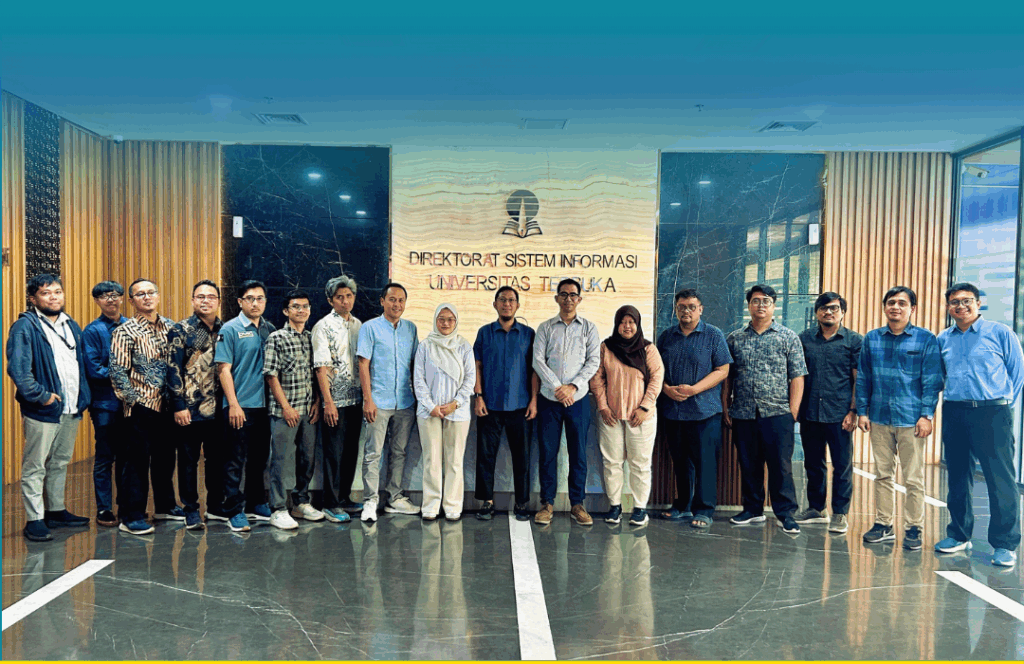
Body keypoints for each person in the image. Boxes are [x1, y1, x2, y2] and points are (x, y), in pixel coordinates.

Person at [935, 282, 1022, 567]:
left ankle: (1005, 544)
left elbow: (1017, 372)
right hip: (955, 412)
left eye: (966, 300)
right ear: (948, 307)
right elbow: (940, 375)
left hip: (992, 413)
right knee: (958, 477)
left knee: (1000, 480)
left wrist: (1004, 407)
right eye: (955, 302)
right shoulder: (943, 339)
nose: (961, 306)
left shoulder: (1000, 333)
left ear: (978, 303)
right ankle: (959, 535)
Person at [856, 285, 942, 551]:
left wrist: (926, 415)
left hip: (911, 419)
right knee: (882, 475)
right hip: (879, 417)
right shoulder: (872, 339)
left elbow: (932, 381)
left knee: (913, 478)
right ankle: (884, 524)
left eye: (902, 303)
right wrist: (862, 411)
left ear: (912, 309)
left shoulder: (925, 339)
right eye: (891, 302)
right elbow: (863, 378)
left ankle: (914, 527)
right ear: (884, 307)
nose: (895, 307)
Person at [7, 274, 91, 542]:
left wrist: (83, 396)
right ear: (33, 299)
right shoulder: (25, 326)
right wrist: (41, 396)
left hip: (71, 406)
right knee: (35, 466)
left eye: (57, 291)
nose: (54, 297)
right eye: (46, 293)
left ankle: (55, 511)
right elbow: (18, 370)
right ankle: (35, 519)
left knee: (59, 462)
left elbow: (78, 364)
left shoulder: (71, 324)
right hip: (44, 409)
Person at [723, 284, 807, 535]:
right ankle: (752, 509)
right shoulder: (735, 338)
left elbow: (797, 376)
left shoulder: (788, 337)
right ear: (749, 305)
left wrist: (792, 412)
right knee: (749, 464)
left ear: (774, 306)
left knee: (781, 466)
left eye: (766, 301)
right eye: (756, 301)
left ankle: (785, 514)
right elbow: (727, 376)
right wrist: (726, 405)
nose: (761, 305)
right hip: (744, 412)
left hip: (778, 413)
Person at [110, 278, 181, 535]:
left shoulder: (172, 327)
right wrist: (134, 402)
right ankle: (132, 516)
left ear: (158, 296)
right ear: (131, 301)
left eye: (151, 292)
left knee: (165, 459)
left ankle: (165, 506)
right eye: (140, 294)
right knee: (137, 463)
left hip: (168, 405)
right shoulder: (124, 331)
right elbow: (117, 371)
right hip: (141, 406)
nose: (147, 297)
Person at [656, 288, 732, 529]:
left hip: (704, 411)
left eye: (691, 307)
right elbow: (655, 370)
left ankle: (704, 509)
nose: (686, 311)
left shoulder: (713, 335)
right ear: (676, 310)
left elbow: (723, 370)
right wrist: (666, 389)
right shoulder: (667, 336)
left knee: (705, 463)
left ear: (700, 309)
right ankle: (682, 505)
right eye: (681, 307)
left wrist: (694, 390)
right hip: (673, 410)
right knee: (680, 462)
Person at [532, 278, 601, 526]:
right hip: (549, 400)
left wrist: (572, 387)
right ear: (557, 298)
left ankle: (577, 504)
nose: (568, 299)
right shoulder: (545, 328)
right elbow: (538, 361)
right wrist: (557, 388)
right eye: (563, 294)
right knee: (548, 452)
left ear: (579, 299)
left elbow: (593, 361)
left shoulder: (589, 328)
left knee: (578, 453)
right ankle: (547, 503)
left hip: (578, 399)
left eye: (573, 295)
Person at [795, 292, 862, 535]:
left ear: (842, 312)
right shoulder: (804, 339)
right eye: (823, 308)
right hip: (810, 411)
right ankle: (816, 508)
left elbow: (858, 379)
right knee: (813, 464)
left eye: (834, 308)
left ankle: (840, 513)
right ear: (816, 313)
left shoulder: (854, 341)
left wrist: (853, 411)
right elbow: (797, 376)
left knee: (842, 465)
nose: (828, 312)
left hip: (840, 413)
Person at [591, 305, 664, 526]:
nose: (627, 326)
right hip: (611, 416)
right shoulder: (606, 347)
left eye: (631, 322)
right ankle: (615, 507)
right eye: (623, 322)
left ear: (638, 324)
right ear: (617, 324)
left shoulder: (648, 349)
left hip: (640, 417)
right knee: (612, 463)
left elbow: (657, 379)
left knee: (639, 464)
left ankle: (640, 508)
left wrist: (645, 407)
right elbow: (597, 378)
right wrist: (603, 407)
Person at [215, 280, 277, 533]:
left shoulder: (269, 329)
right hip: (239, 405)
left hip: (265, 407)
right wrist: (233, 404)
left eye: (260, 298)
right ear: (240, 302)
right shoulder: (230, 329)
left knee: (259, 459)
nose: (255, 303)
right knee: (234, 461)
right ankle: (233, 510)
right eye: (250, 298)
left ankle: (256, 503)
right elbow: (223, 369)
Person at [357, 282, 420, 522]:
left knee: (399, 452)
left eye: (401, 300)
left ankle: (394, 498)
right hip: (378, 402)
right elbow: (363, 364)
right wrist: (368, 400)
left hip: (405, 402)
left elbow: (415, 364)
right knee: (373, 453)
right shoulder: (370, 328)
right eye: (392, 299)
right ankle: (370, 501)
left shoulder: (410, 329)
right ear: (382, 301)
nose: (397, 304)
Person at [473, 286, 537, 521]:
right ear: (495, 304)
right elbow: (477, 365)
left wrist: (534, 400)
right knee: (485, 456)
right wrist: (478, 395)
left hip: (520, 405)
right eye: (502, 300)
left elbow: (535, 370)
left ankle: (522, 502)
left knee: (522, 458)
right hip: (489, 405)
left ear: (517, 305)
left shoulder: (529, 334)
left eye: (511, 300)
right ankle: (486, 502)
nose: (507, 304)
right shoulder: (484, 332)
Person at [166, 279, 224, 530]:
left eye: (211, 297)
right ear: (192, 301)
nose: (205, 301)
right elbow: (172, 369)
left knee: (217, 459)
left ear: (218, 301)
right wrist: (178, 405)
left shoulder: (226, 329)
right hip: (189, 408)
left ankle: (216, 506)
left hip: (219, 408)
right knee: (188, 461)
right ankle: (190, 509)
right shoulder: (181, 330)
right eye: (200, 297)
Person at [264, 290, 324, 530]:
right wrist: (286, 407)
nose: (301, 310)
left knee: (307, 458)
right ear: (286, 311)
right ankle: (278, 508)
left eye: (305, 306)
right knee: (280, 459)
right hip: (285, 412)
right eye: (296, 306)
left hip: (309, 411)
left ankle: (301, 502)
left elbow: (318, 372)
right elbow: (271, 375)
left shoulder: (312, 338)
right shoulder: (276, 338)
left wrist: (317, 402)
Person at [414, 303, 476, 521]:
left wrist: (455, 404)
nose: (446, 323)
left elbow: (470, 379)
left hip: (457, 412)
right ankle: (431, 505)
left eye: (450, 319)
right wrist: (430, 405)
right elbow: (418, 379)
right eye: (441, 319)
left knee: (454, 460)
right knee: (431, 460)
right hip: (428, 412)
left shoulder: (463, 346)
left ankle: (452, 505)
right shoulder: (425, 345)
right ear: (435, 320)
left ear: (456, 321)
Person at [312, 275, 363, 523]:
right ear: (331, 300)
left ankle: (344, 498)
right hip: (335, 401)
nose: (345, 301)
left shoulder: (358, 325)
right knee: (333, 453)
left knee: (351, 451)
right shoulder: (323, 326)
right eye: (339, 297)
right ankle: (330, 503)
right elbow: (320, 367)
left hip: (356, 399)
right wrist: (328, 402)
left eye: (349, 296)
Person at [81, 280, 128, 528]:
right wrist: (126, 375)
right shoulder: (92, 331)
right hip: (105, 403)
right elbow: (94, 369)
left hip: (130, 403)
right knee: (105, 457)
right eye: (104, 296)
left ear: (122, 298)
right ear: (97, 301)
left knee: (127, 456)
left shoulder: (131, 326)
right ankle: (104, 508)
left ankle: (125, 505)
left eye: (115, 295)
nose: (110, 299)